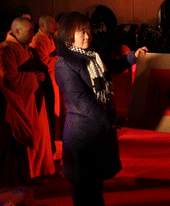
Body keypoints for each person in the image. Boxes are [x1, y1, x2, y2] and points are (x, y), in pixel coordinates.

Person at [55, 11, 147, 206]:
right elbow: (81, 101)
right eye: (81, 32)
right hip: (82, 132)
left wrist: (133, 57)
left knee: (95, 184)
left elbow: (112, 65)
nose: (87, 36)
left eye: (88, 31)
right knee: (82, 185)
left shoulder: (93, 55)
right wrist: (110, 120)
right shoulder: (64, 63)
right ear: (68, 34)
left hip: (99, 131)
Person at [0, 16, 55, 186]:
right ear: (17, 31)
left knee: (39, 138)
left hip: (34, 101)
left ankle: (37, 172)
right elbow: (7, 77)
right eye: (30, 30)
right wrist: (34, 77)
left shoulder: (28, 49)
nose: (33, 34)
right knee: (15, 143)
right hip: (14, 105)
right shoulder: (4, 50)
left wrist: (43, 75)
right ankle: (16, 178)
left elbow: (40, 68)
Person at [30, 14, 64, 141]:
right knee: (50, 110)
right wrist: (58, 58)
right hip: (46, 80)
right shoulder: (39, 40)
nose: (54, 25)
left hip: (54, 78)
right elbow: (43, 62)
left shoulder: (48, 38)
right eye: (52, 23)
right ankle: (51, 138)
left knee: (57, 108)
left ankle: (56, 136)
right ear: (42, 25)